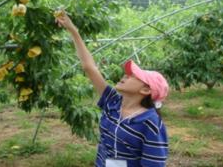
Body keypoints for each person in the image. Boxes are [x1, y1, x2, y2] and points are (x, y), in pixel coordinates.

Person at [55, 10, 169, 167]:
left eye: (132, 76)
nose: (125, 76)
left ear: (145, 90)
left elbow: (153, 164)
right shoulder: (113, 102)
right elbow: (89, 67)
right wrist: (73, 30)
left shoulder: (150, 123)